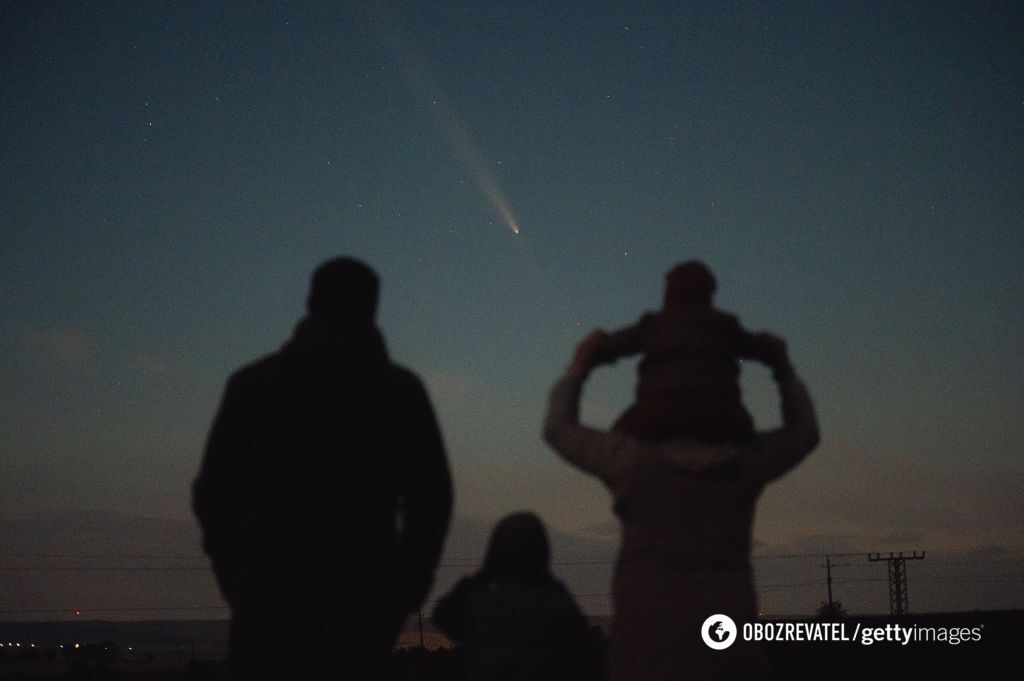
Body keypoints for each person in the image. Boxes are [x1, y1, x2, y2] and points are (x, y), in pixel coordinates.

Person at [193, 257, 453, 678]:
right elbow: (432, 500)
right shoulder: (398, 392)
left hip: (267, 607)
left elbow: (214, 494)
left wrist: (240, 582)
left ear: (311, 303)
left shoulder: (252, 386)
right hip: (361, 607)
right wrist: (402, 591)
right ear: (371, 308)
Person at [544, 329, 819, 681]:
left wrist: (580, 366)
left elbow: (558, 428)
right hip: (728, 651)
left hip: (646, 652)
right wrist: (783, 369)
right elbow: (804, 432)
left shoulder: (628, 461)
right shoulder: (746, 462)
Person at [594, 260, 767, 443]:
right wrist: (772, 349)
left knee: (617, 443)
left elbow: (610, 347)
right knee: (746, 436)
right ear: (709, 293)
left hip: (657, 413)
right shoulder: (725, 325)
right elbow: (759, 348)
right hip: (721, 416)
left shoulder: (654, 325)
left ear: (670, 291)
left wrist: (596, 346)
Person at [433, 512, 593, 681]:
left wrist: (484, 573)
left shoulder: (481, 604)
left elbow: (443, 614)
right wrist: (549, 580)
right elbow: (578, 634)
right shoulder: (552, 606)